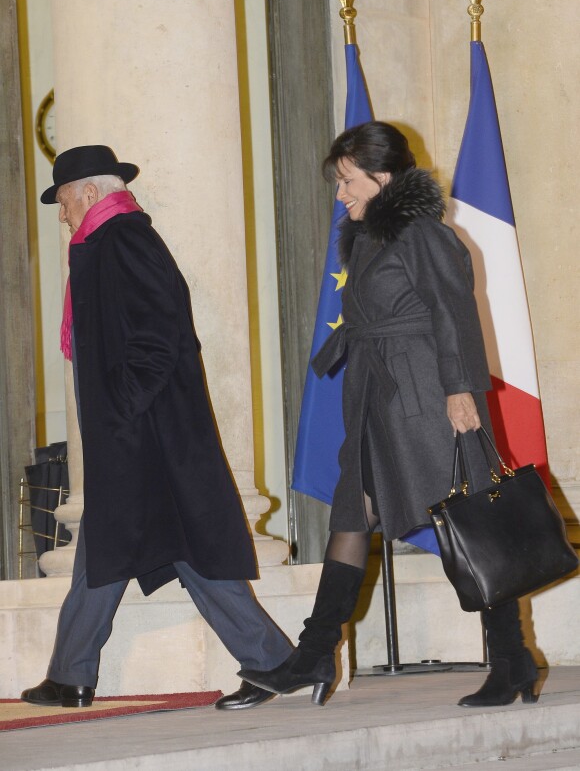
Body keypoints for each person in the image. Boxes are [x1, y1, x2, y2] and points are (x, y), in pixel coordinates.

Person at [239, 121, 539, 708]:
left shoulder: (422, 232)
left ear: (382, 176)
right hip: (379, 393)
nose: (340, 194)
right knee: (351, 512)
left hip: (426, 392)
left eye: (348, 181)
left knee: (472, 521)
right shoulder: (372, 236)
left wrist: (460, 391)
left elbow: (453, 310)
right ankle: (315, 651)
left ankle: (512, 659)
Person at [21, 145, 293, 711]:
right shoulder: (105, 243)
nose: (63, 214)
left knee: (172, 544)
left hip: (148, 435)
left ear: (90, 193)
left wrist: (123, 405)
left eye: (65, 201)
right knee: (121, 546)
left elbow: (158, 331)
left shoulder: (124, 240)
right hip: (135, 436)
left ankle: (272, 661)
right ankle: (72, 673)